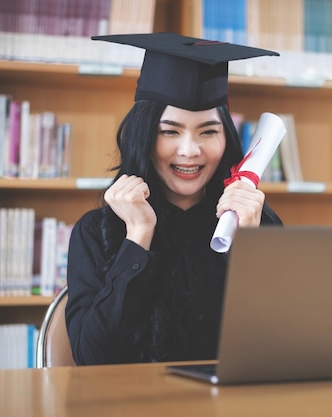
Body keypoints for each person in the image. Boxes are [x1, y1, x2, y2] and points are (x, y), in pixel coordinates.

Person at [65, 33, 283, 365]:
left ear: (227, 138)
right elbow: (91, 360)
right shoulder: (97, 231)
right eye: (170, 131)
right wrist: (137, 237)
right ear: (145, 136)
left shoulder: (256, 222)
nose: (190, 150)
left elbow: (278, 351)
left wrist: (248, 249)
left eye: (208, 131)